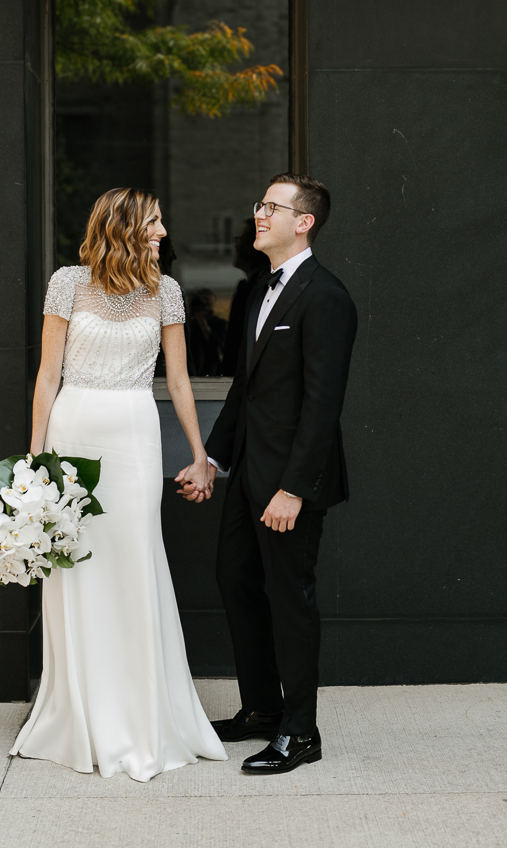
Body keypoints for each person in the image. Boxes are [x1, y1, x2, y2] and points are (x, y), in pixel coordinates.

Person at [10, 187, 227, 782]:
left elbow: (179, 381)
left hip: (133, 432)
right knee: (77, 563)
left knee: (133, 558)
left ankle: (140, 710)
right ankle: (80, 709)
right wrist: (35, 459)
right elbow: (47, 374)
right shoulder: (67, 284)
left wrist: (199, 453)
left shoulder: (168, 291)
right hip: (73, 430)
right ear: (125, 225)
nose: (163, 233)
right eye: (155, 223)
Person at [178, 173, 357, 775]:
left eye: (270, 207)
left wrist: (293, 490)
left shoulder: (326, 296)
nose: (258, 214)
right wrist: (212, 459)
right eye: (259, 204)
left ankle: (301, 733)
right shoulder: (257, 290)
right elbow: (245, 392)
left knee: (290, 601)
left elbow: (321, 406)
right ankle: (260, 709)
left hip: (289, 486)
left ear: (303, 222)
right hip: (247, 476)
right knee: (235, 582)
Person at [221, 218, 270, 376]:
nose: (236, 245)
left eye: (239, 240)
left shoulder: (255, 290)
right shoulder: (255, 286)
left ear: (251, 246)